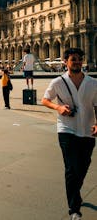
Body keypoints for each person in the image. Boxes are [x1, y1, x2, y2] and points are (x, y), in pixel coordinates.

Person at [41, 48, 97, 220]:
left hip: (87, 130)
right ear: (66, 62)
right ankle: (74, 209)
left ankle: (75, 192)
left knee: (84, 164)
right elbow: (45, 100)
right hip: (66, 129)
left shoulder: (93, 83)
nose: (78, 62)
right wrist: (58, 107)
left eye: (80, 59)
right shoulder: (58, 82)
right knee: (72, 169)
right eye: (74, 59)